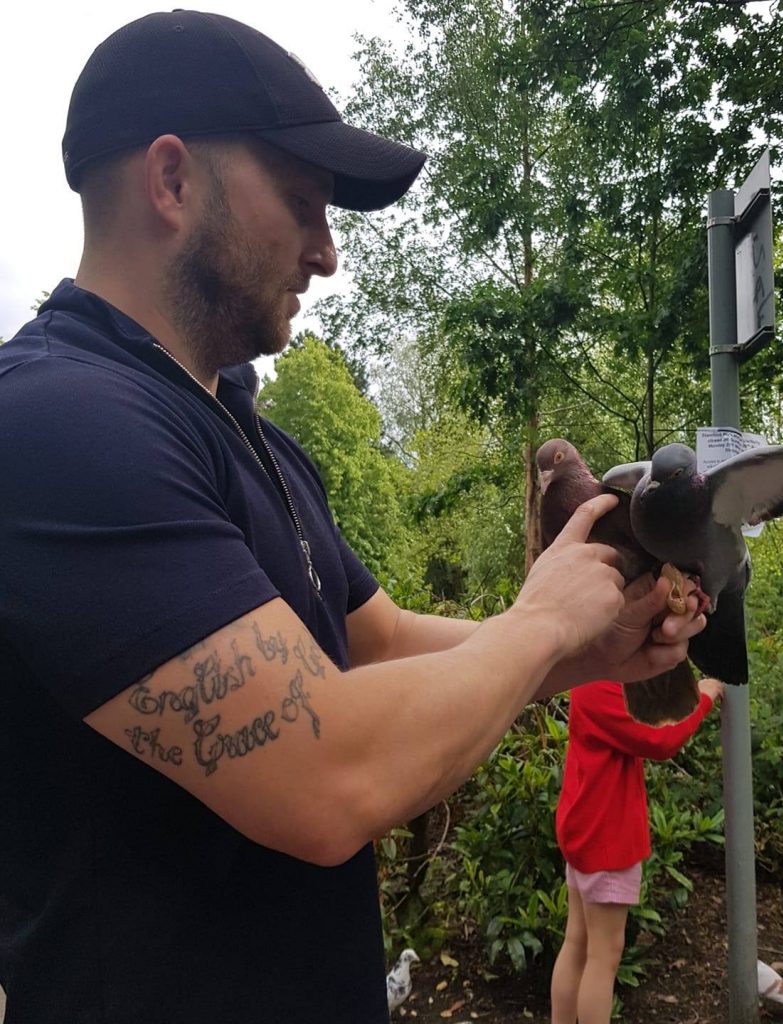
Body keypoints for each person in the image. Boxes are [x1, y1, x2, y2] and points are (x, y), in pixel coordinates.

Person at [0, 11, 710, 1024]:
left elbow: (374, 645)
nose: (328, 254)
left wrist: (593, 647)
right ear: (171, 181)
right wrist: (542, 620)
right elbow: (325, 778)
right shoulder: (57, 422)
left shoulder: (254, 439)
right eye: (302, 204)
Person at [550, 677, 724, 1024]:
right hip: (606, 836)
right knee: (603, 956)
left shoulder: (587, 674)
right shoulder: (602, 684)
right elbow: (660, 739)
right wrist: (704, 696)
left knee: (577, 943)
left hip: (583, 826)